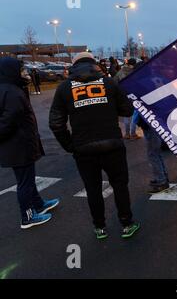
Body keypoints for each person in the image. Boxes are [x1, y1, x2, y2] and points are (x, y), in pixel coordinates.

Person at [49, 52, 140, 240]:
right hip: (112, 144)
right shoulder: (108, 83)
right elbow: (127, 110)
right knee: (120, 185)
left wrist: (70, 145)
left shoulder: (64, 88)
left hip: (83, 148)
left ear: (73, 66)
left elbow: (56, 123)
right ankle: (126, 223)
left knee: (93, 188)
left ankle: (100, 227)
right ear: (95, 64)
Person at [0, 57, 60, 229]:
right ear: (11, 72)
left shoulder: (11, 88)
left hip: (19, 144)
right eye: (21, 71)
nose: (25, 73)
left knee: (28, 178)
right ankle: (27, 216)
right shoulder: (11, 92)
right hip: (18, 145)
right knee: (24, 182)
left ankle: (38, 204)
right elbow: (8, 120)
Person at [136, 114, 170, 194]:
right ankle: (163, 177)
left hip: (150, 123)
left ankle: (161, 180)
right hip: (152, 123)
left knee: (153, 154)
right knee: (156, 152)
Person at [114, 58, 141, 140]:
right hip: (133, 95)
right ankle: (133, 134)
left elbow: (115, 82)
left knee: (126, 115)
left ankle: (126, 134)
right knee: (134, 115)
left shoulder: (120, 72)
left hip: (123, 96)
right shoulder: (134, 72)